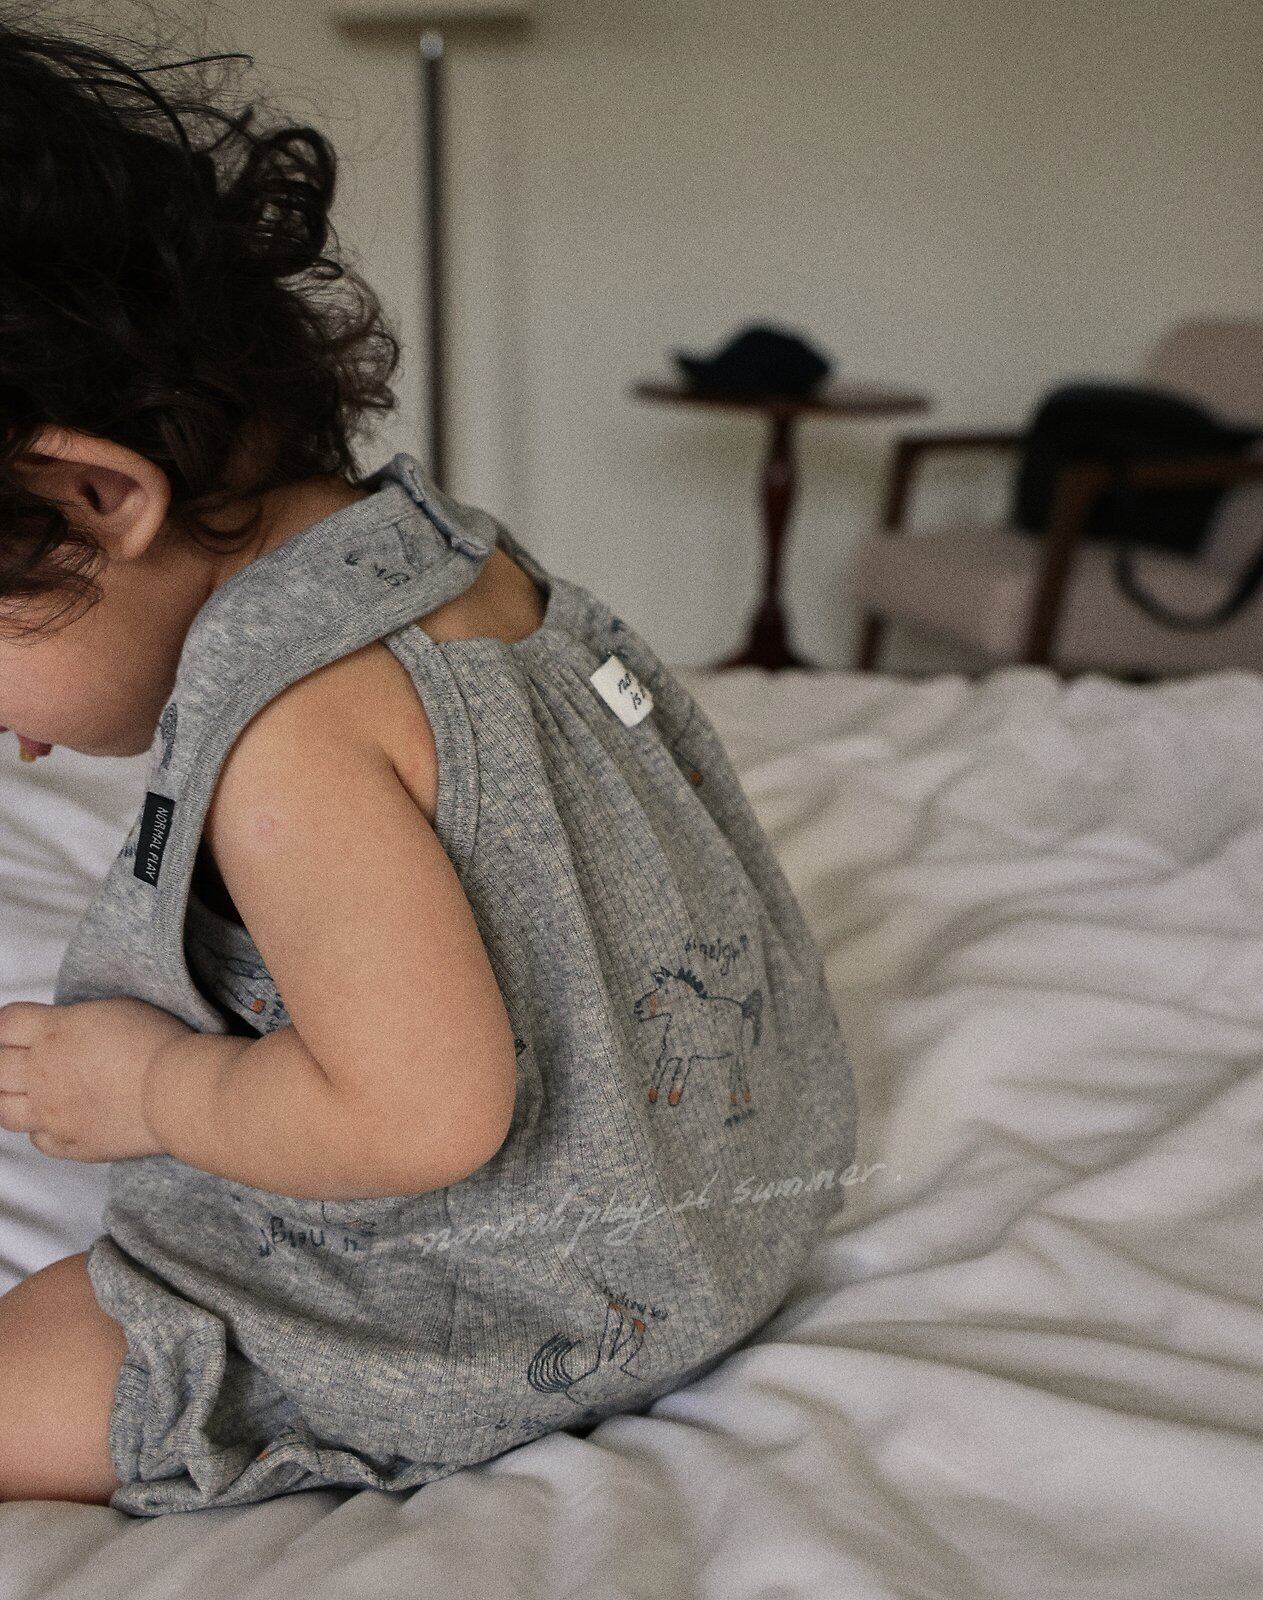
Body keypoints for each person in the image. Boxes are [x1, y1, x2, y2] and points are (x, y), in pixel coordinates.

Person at [0, 17, 858, 1516]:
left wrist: (156, 1084)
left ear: (92, 496)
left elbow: (421, 1119)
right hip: (726, 1199)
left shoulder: (290, 737)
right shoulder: (441, 554)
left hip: (522, 1293)